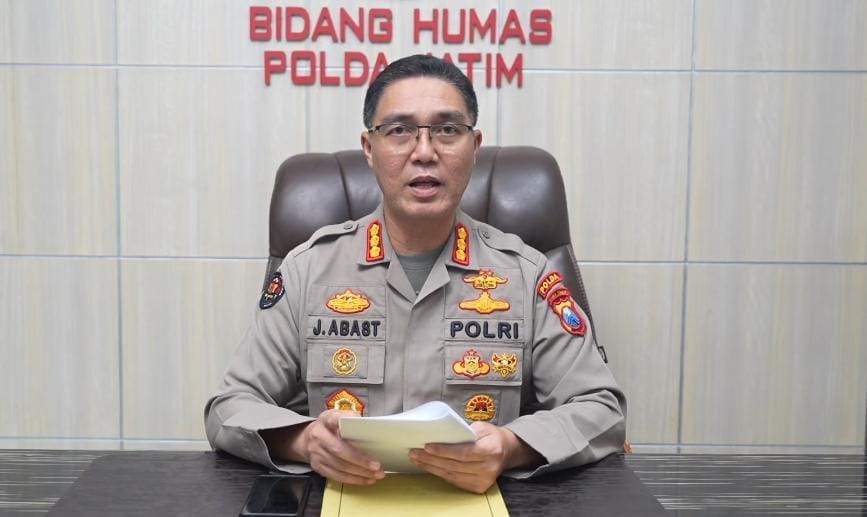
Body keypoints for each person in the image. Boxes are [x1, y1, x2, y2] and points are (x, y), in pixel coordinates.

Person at [204, 54, 626, 494]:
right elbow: (229, 406)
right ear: (370, 149)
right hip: (345, 499)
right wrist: (304, 441)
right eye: (399, 131)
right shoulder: (307, 270)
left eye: (447, 130)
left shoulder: (526, 275)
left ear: (474, 147)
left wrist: (510, 447)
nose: (424, 152)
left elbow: (601, 408)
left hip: (476, 501)